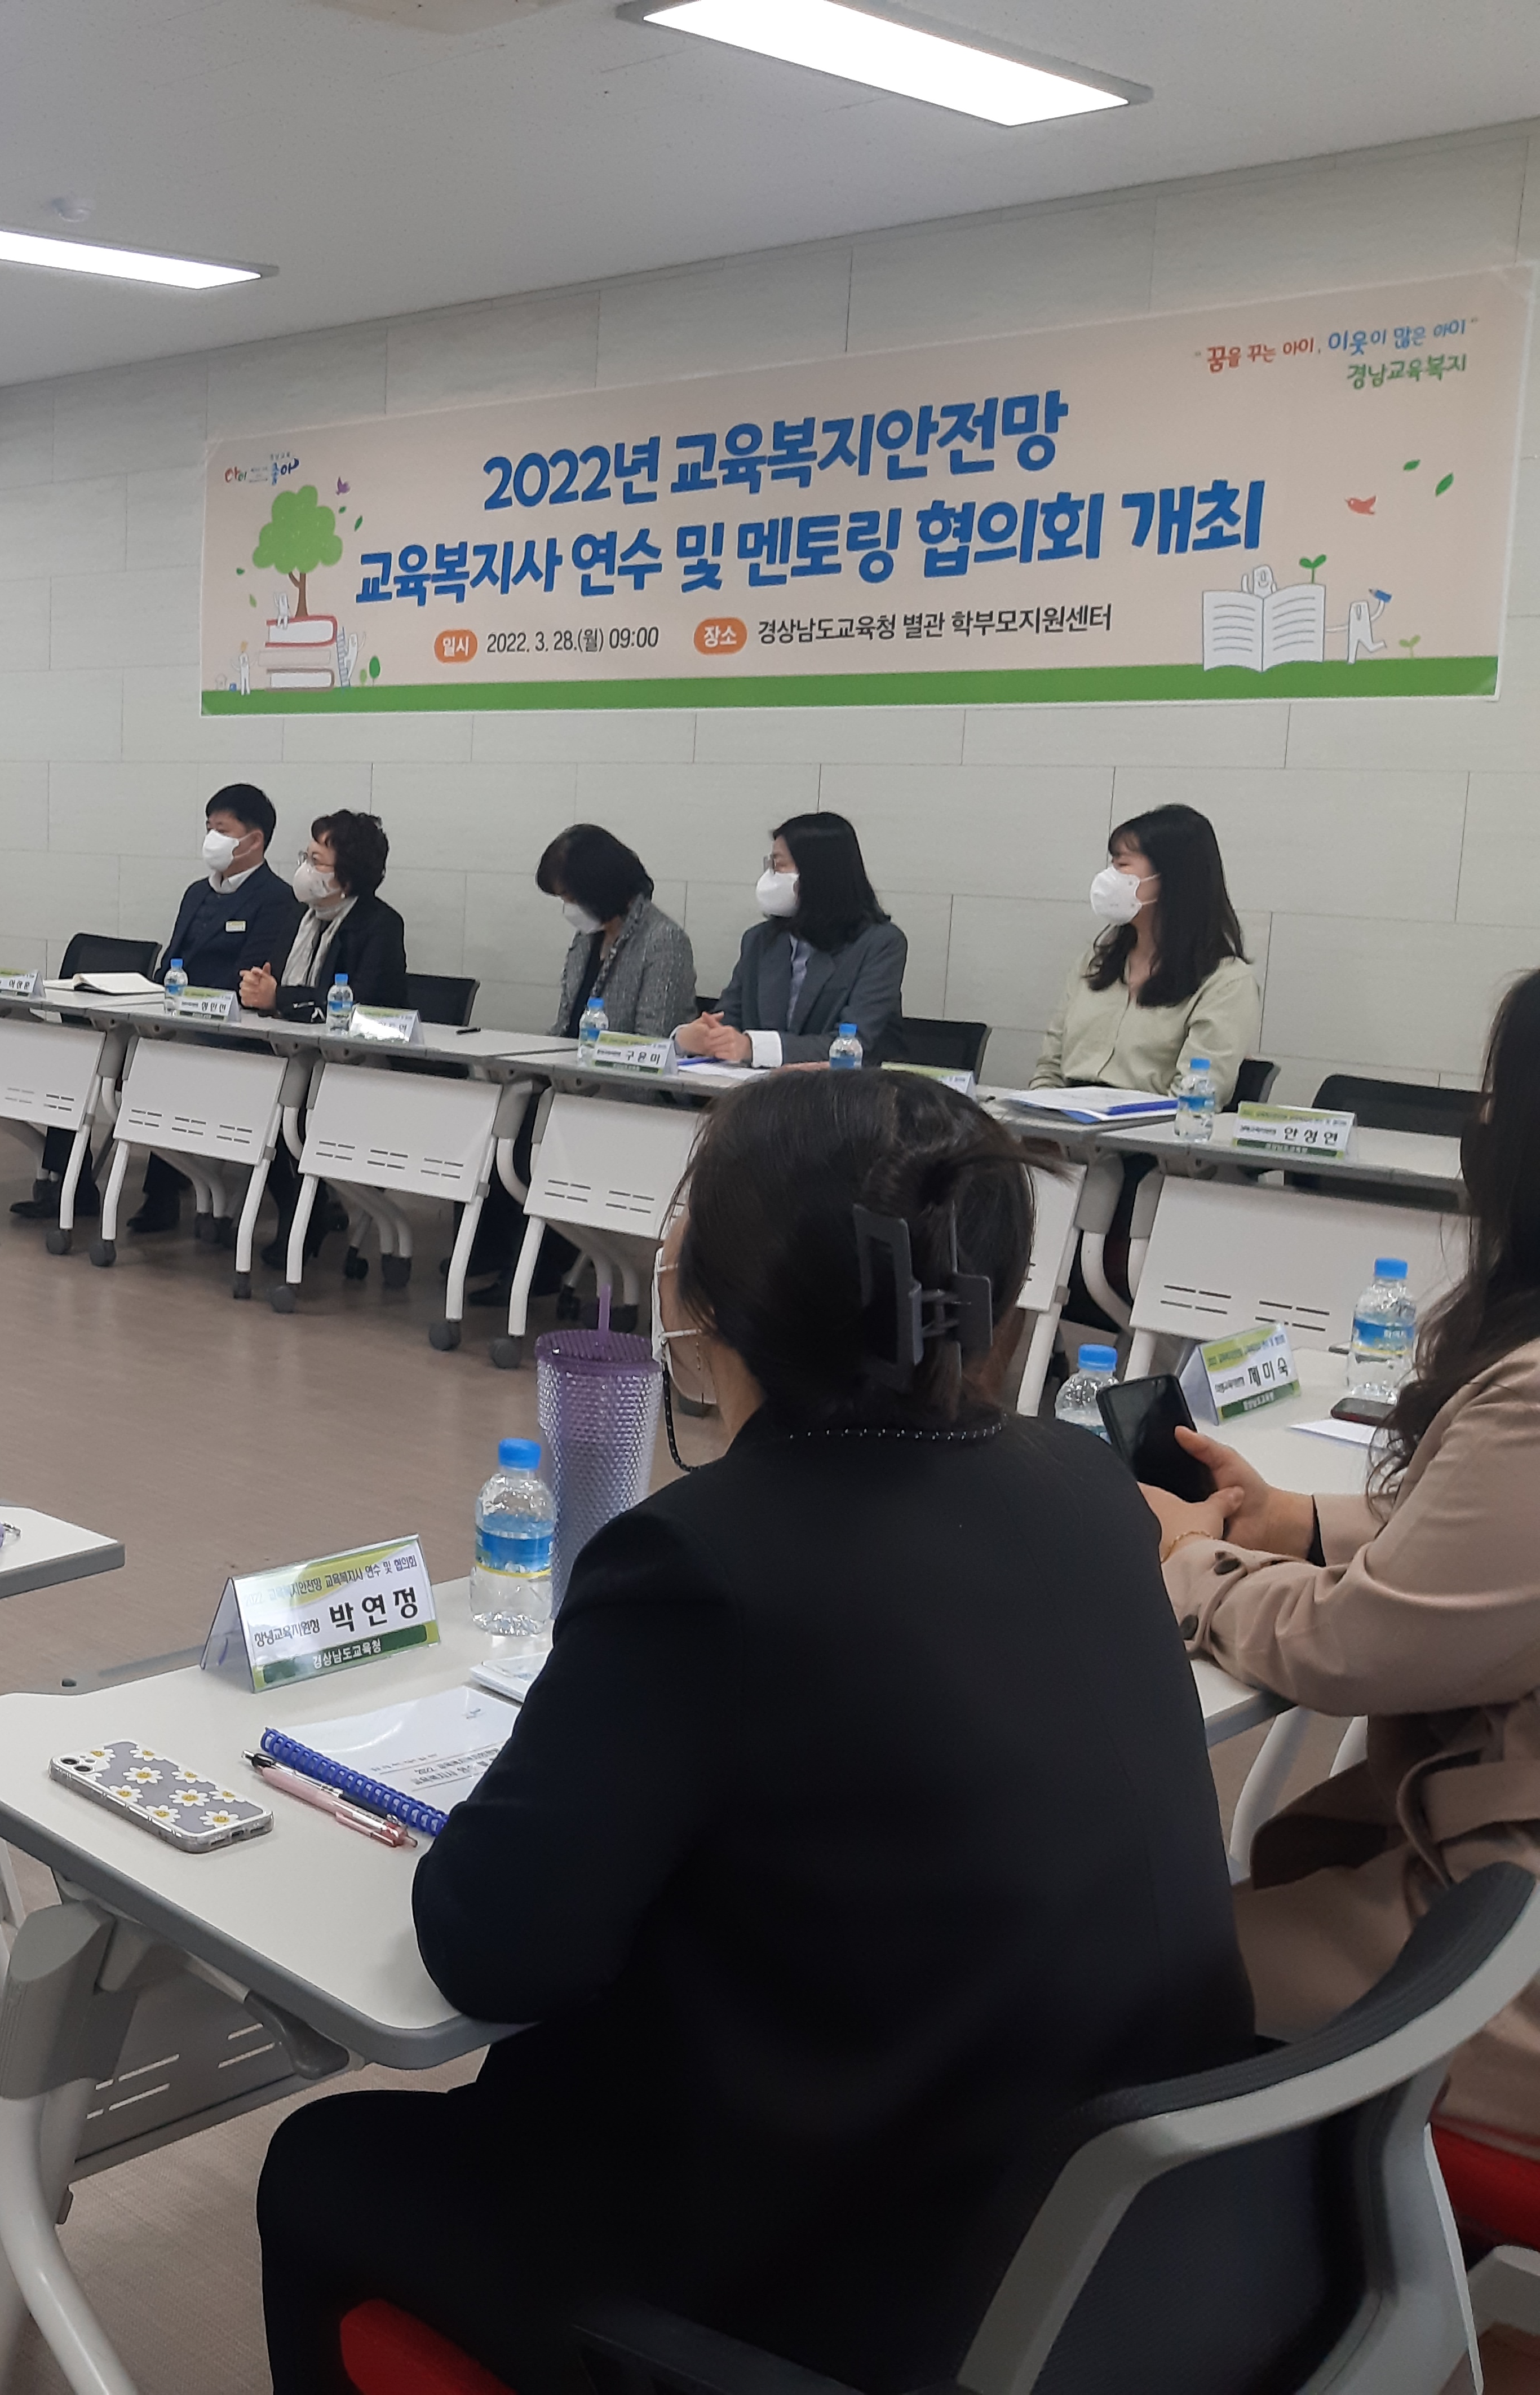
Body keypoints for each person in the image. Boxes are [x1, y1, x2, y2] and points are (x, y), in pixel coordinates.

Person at [259, 1071, 1250, 2395]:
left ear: (697, 1292)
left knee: (324, 2167)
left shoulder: (699, 1559)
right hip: (1117, 2238)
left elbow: (491, 1946)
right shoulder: (1082, 1481)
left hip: (835, 2286)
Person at [1145, 970, 1540, 2147]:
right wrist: (1299, 1525)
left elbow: (1352, 1649)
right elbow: (1499, 1544)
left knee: (1103, 1966)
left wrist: (1195, 1567)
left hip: (1505, 1949)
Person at [15, 783, 302, 1229]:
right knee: (83, 1052)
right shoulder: (196, 892)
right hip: (173, 1018)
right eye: (209, 829)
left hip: (228, 1033)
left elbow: (252, 978)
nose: (212, 839)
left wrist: (185, 999)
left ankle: (162, 1195)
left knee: (162, 1057)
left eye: (221, 830)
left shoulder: (277, 900)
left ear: (254, 839)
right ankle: (70, 1184)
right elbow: (173, 961)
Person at [1030, 803, 1260, 1096]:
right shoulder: (1096, 962)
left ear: (1171, 879)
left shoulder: (1225, 982)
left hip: (1146, 1135)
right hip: (1064, 1128)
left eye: (1122, 865)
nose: (1109, 878)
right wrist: (1040, 1126)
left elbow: (1194, 1096)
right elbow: (1049, 1067)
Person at [674, 811, 905, 1067]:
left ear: (818, 873)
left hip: (845, 1097)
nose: (770, 876)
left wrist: (753, 1047)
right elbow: (728, 1019)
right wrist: (691, 1038)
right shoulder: (759, 940)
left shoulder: (880, 944)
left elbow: (854, 1043)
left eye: (779, 865)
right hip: (759, 1094)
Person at [238, 810, 405, 1018]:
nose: (305, 870)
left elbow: (362, 1004)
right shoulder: (299, 914)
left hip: (347, 1048)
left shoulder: (380, 925)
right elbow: (272, 977)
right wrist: (256, 987)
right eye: (305, 858)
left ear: (347, 878)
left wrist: (278, 997)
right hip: (284, 1038)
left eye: (316, 862)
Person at [535, 822, 694, 1039]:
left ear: (597, 888)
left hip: (612, 1071)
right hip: (570, 1067)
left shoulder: (664, 941)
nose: (568, 906)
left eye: (570, 896)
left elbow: (653, 1041)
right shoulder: (586, 937)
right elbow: (565, 1025)